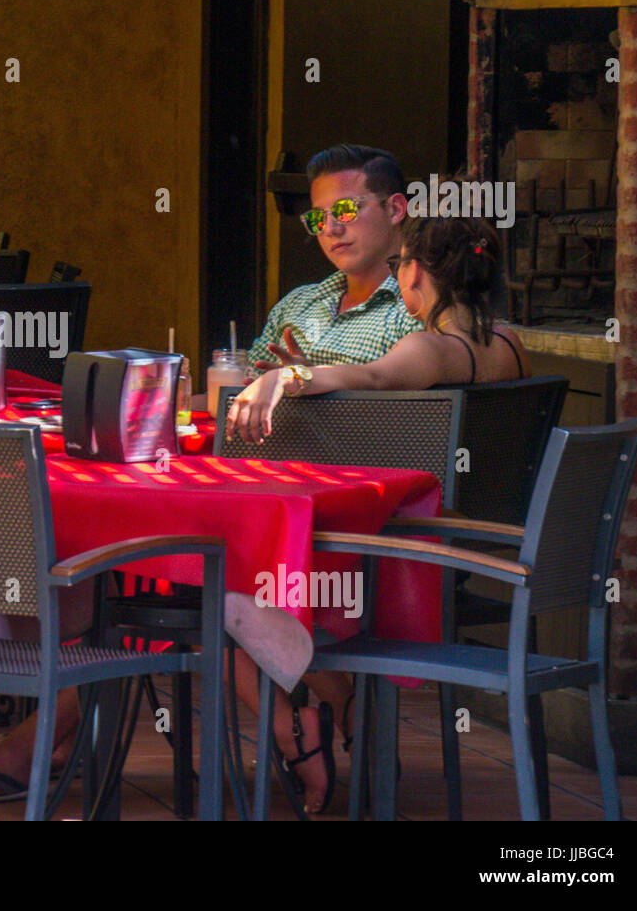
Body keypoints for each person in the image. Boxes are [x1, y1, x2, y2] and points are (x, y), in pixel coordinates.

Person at [227, 213, 530, 813]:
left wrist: (284, 378)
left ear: (415, 271)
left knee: (238, 585)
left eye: (401, 266)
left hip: (409, 561)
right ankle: (337, 714)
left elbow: (370, 374)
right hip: (470, 552)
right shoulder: (510, 343)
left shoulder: (434, 347)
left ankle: (310, 726)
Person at [248, 144, 424, 375]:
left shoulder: (417, 306)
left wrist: (313, 383)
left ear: (395, 209)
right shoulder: (296, 304)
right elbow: (236, 392)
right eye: (317, 218)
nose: (330, 229)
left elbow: (415, 407)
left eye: (346, 209)